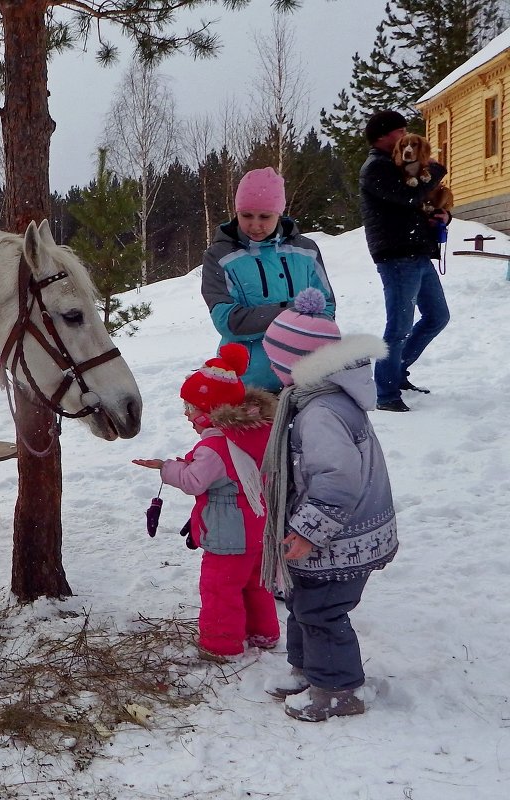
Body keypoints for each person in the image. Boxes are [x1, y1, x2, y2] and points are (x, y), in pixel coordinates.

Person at [259, 287, 398, 722]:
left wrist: (306, 529)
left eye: (277, 362)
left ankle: (338, 690)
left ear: (296, 364)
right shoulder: (314, 401)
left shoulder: (321, 412)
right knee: (304, 603)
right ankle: (308, 670)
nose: (273, 370)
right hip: (336, 534)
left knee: (321, 610)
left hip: (339, 537)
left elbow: (338, 478)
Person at [133, 343, 279, 661]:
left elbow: (194, 481)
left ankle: (222, 644)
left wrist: (167, 469)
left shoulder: (214, 446)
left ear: (210, 411)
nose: (187, 416)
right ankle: (263, 632)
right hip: (258, 526)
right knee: (256, 583)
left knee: (219, 588)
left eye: (191, 409)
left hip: (228, 533)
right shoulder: (254, 432)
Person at [201, 166, 336, 393]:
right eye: (246, 216)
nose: (255, 225)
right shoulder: (219, 256)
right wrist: (292, 313)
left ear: (279, 213)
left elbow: (327, 307)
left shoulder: (306, 250)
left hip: (307, 378)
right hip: (249, 383)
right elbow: (227, 321)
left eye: (265, 216)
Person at [359, 109, 452, 412]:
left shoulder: (400, 165)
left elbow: (418, 202)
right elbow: (407, 197)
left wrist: (441, 215)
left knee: (437, 316)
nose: (406, 136)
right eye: (401, 130)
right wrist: (436, 170)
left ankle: (396, 372)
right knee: (399, 325)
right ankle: (385, 394)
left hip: (418, 253)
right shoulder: (376, 168)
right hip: (396, 255)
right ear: (385, 136)